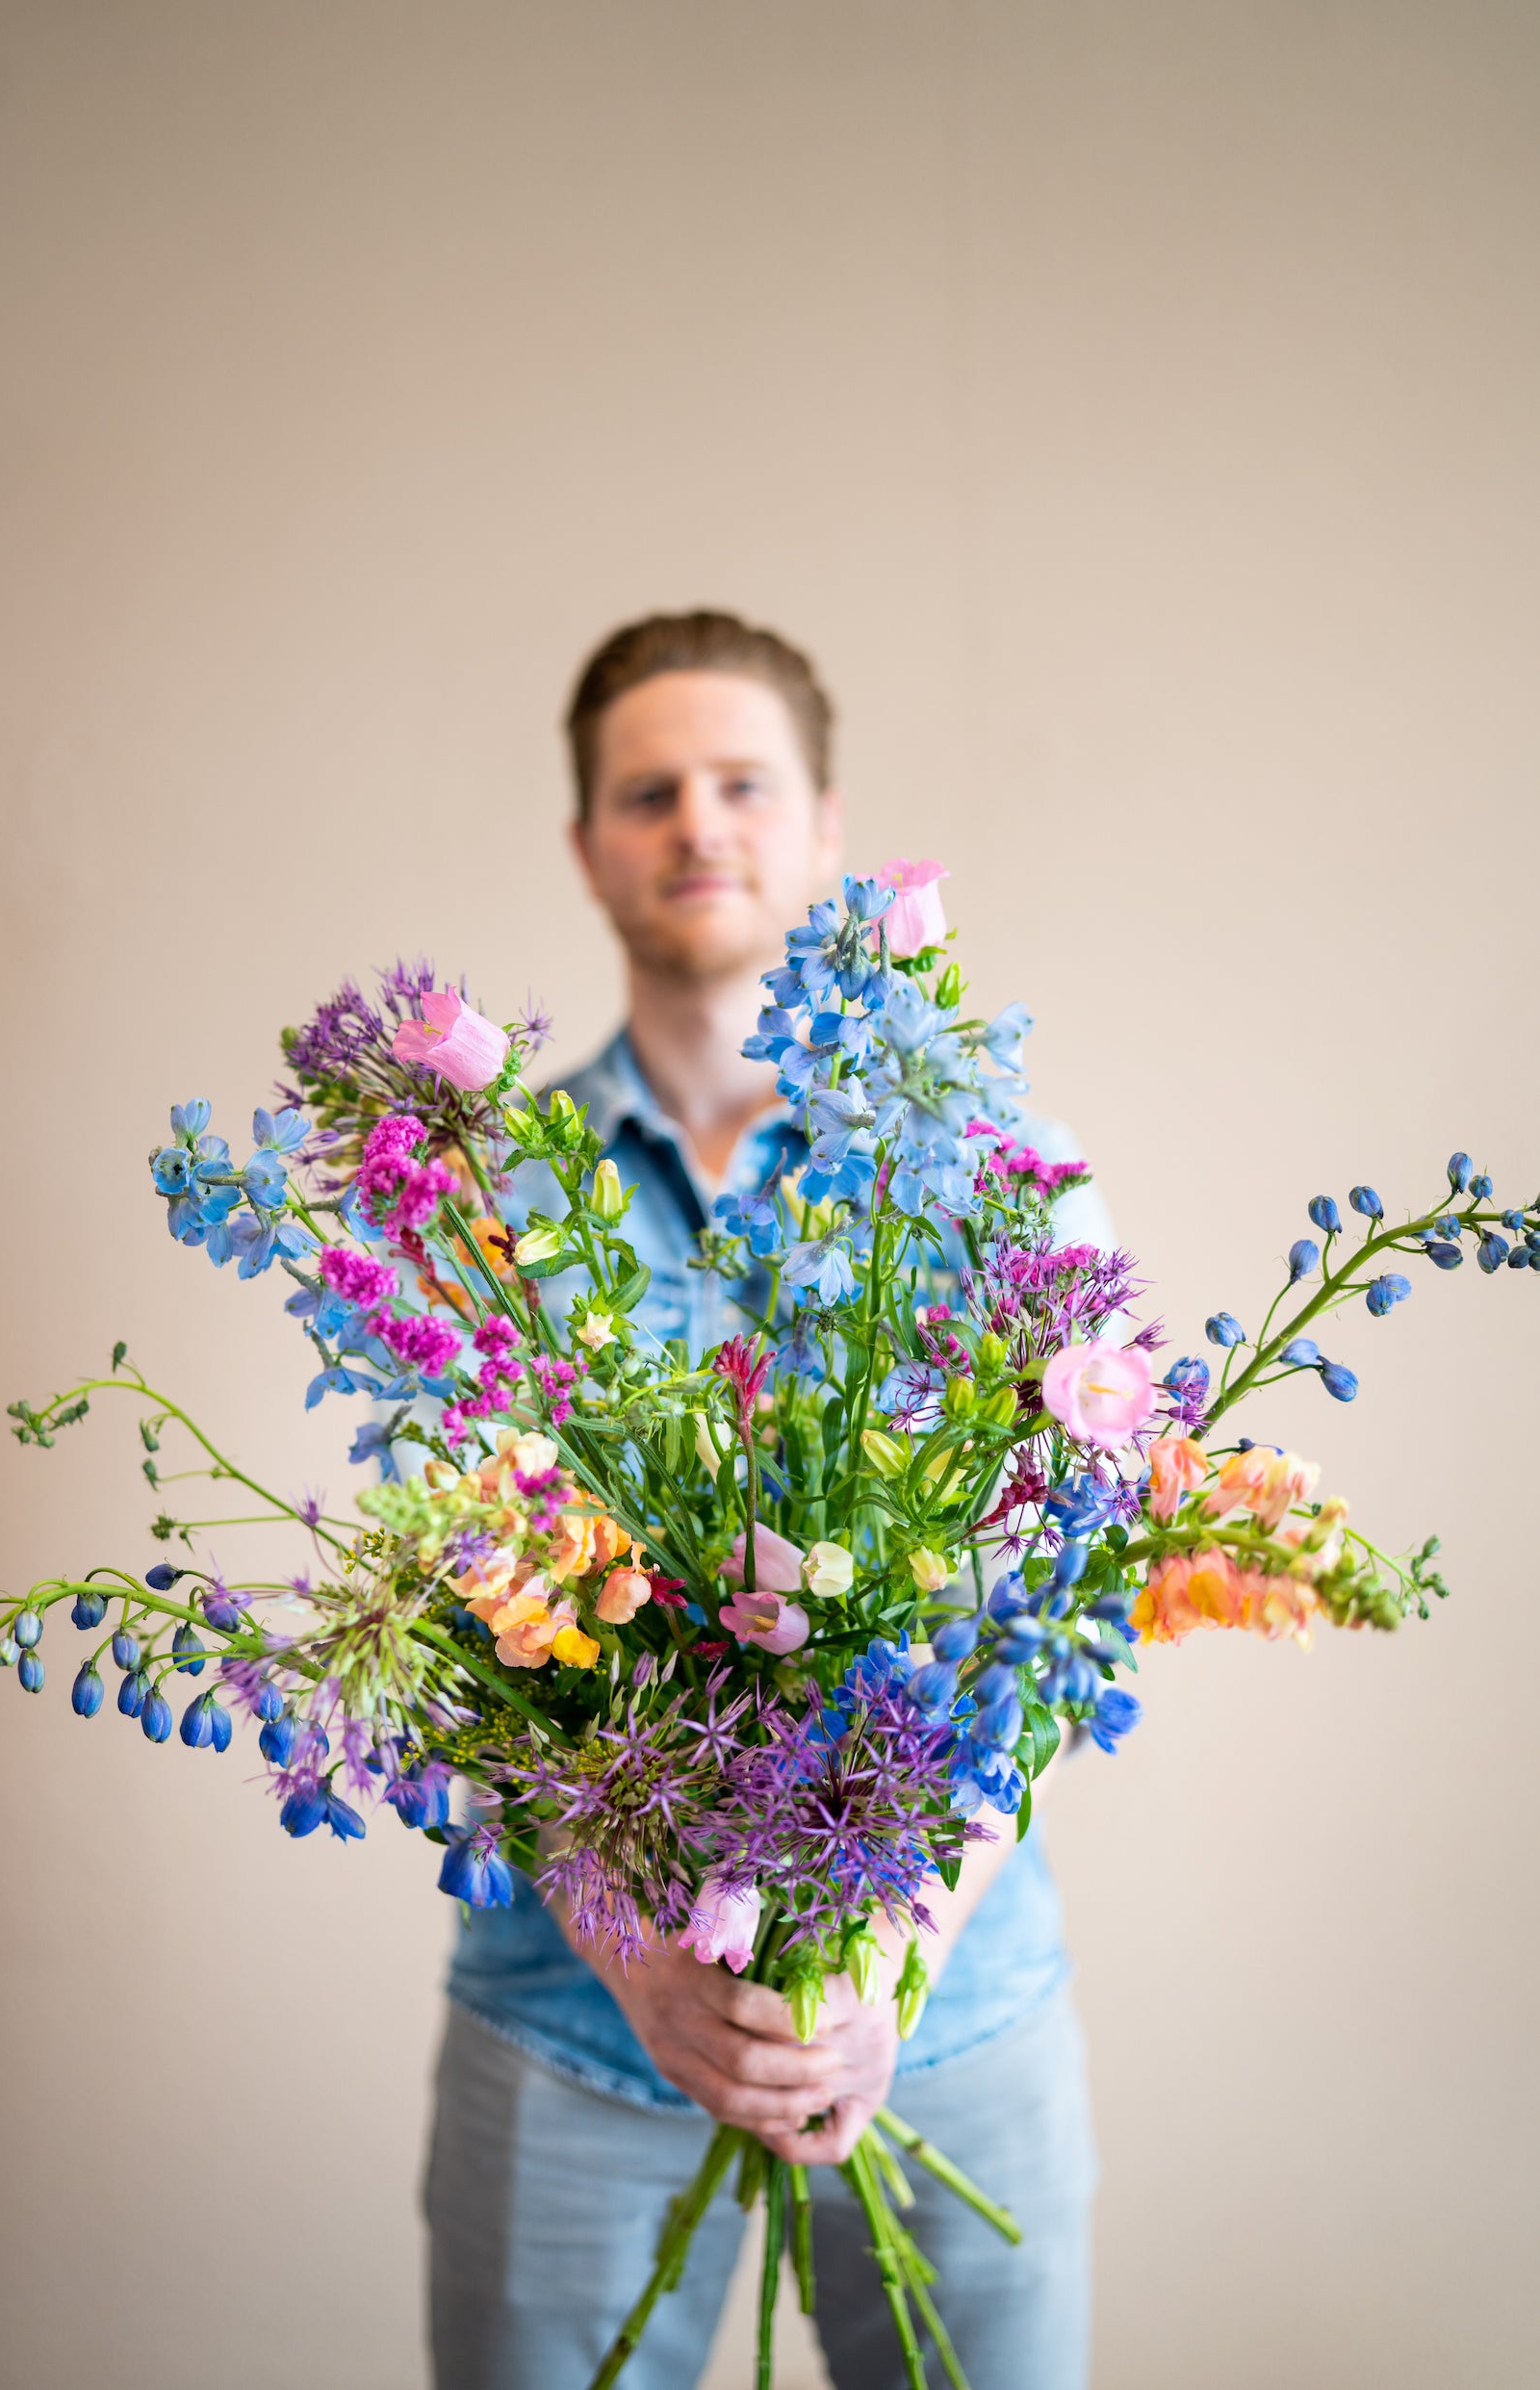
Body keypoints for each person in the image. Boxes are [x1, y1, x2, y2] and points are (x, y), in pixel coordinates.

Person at [424, 611, 1106, 2390]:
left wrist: (889, 1964)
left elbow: (1064, 1607)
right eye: (646, 793)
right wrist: (643, 1963)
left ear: (823, 830)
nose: (696, 825)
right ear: (587, 846)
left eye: (742, 784)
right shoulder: (487, 1200)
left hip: (951, 2012)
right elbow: (448, 1617)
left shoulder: (990, 1177)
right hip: (574, 2020)